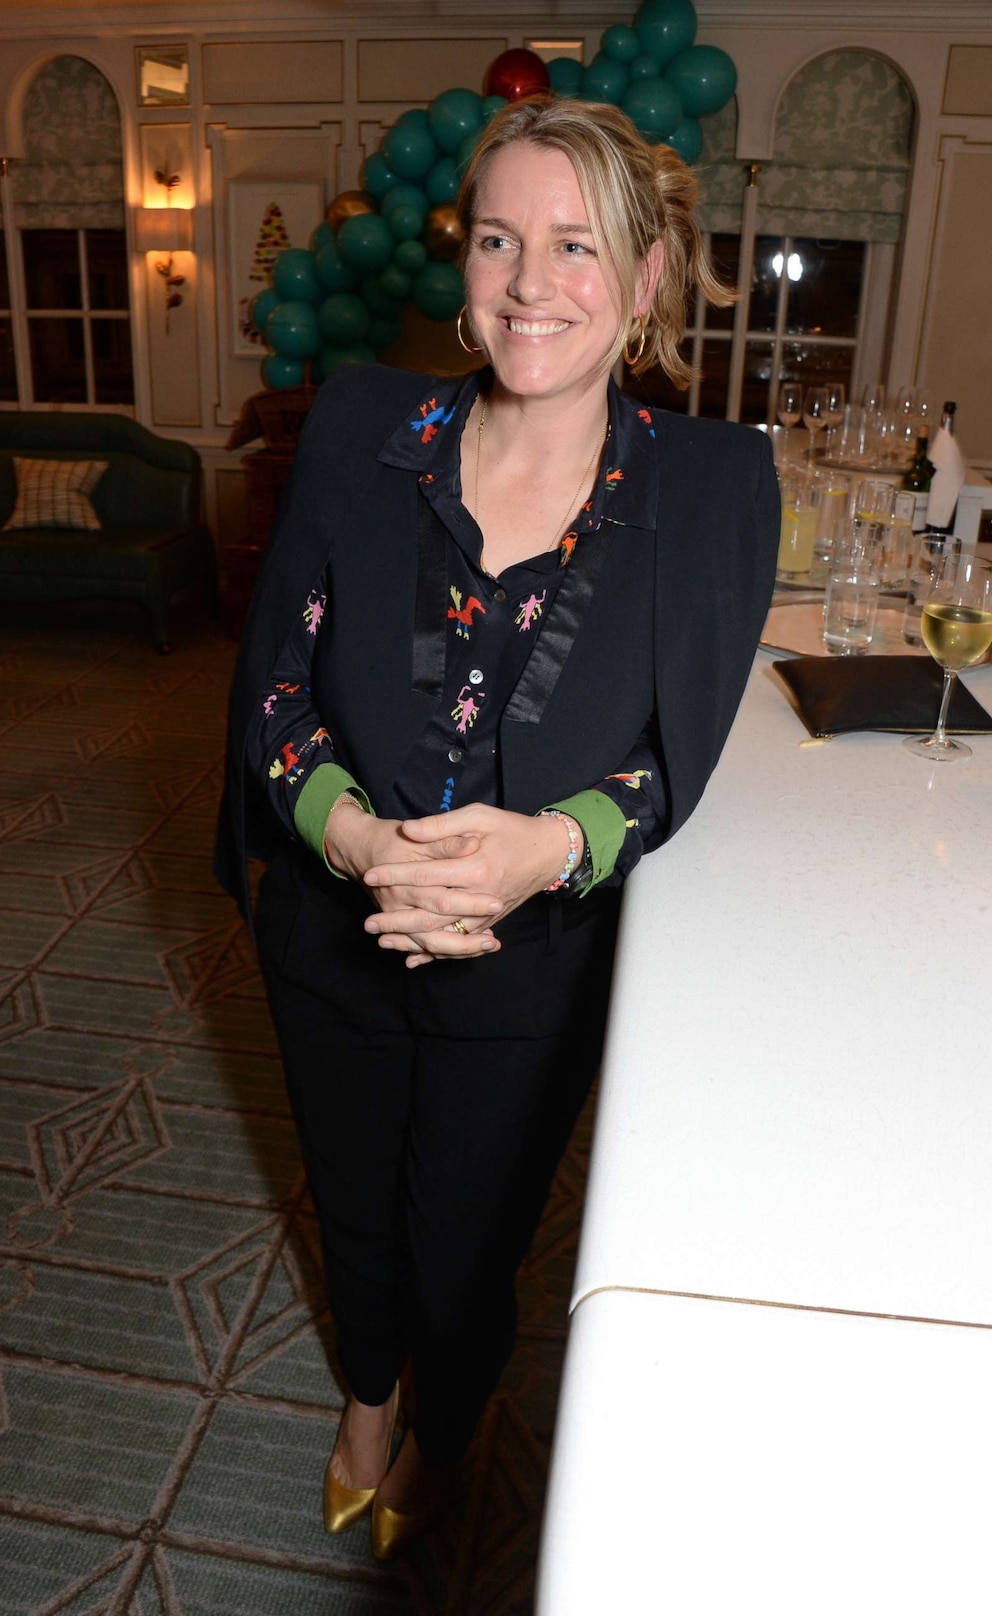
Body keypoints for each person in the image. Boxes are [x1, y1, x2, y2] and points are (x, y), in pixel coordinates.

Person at [215, 92, 779, 1560]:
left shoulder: (712, 487)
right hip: (335, 923)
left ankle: (448, 1419)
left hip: (538, 963)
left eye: (578, 245)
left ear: (648, 277)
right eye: (498, 240)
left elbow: (677, 754)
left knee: (473, 1234)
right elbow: (273, 687)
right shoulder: (361, 430)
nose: (532, 283)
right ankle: (367, 1396)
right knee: (352, 1197)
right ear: (463, 263)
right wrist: (354, 841)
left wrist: (549, 847)